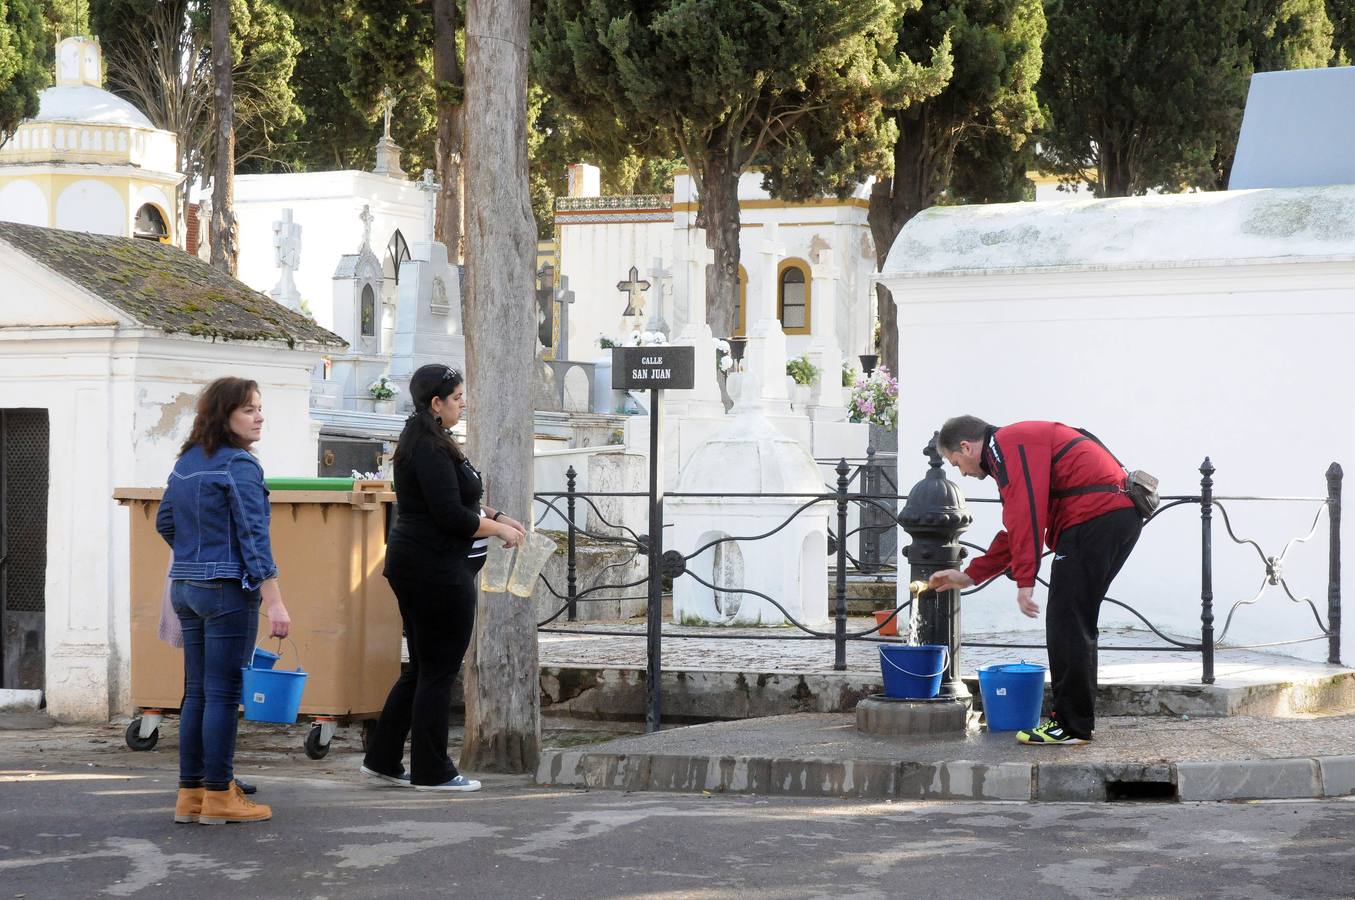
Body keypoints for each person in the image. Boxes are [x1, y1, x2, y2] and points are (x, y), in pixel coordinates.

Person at [928, 416, 1142, 746]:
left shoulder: (1008, 446)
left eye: (957, 463)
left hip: (1095, 518)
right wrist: (970, 574)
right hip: (1113, 515)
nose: (963, 473)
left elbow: (1027, 515)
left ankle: (1071, 726)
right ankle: (1078, 723)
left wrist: (1024, 581)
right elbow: (1018, 523)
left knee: (1066, 622)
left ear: (967, 447)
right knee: (1075, 621)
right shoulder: (1010, 448)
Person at [361, 364, 526, 791]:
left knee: (421, 668)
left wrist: (497, 514)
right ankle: (432, 770)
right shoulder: (428, 447)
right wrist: (500, 530)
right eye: (456, 397)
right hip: (435, 569)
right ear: (436, 403)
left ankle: (382, 758)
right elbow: (451, 515)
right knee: (438, 671)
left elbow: (461, 497)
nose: (462, 401)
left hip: (421, 565)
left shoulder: (431, 439)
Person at [156, 377, 291, 824]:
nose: (259, 416)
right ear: (224, 414)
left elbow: (165, 523)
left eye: (259, 407)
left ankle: (190, 795)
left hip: (186, 587)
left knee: (195, 692)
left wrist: (196, 557)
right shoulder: (240, 466)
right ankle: (219, 795)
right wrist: (275, 601)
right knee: (222, 695)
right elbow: (255, 538)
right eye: (249, 409)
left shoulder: (185, 463)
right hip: (228, 590)